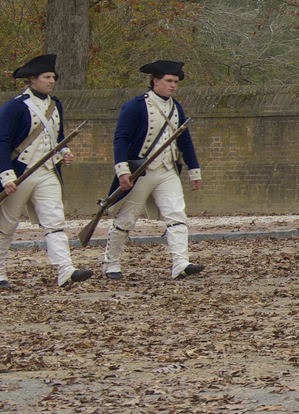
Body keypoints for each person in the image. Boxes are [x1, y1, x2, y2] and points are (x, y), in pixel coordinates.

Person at [104, 59, 206, 281]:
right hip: (141, 171)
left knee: (177, 215)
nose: (173, 85)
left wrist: (194, 170)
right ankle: (111, 263)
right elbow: (121, 139)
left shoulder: (176, 108)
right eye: (169, 81)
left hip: (167, 170)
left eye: (176, 82)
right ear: (155, 81)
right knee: (126, 219)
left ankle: (180, 263)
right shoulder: (135, 106)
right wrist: (122, 170)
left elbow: (185, 141)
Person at [0, 54, 90, 289]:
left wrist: (64, 151)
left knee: (55, 222)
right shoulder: (15, 107)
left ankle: (65, 270)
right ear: (32, 79)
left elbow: (57, 136)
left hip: (47, 172)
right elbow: (2, 142)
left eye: (53, 77)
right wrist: (6, 175)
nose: (52, 81)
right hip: (20, 174)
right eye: (47, 77)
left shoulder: (55, 105)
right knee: (6, 226)